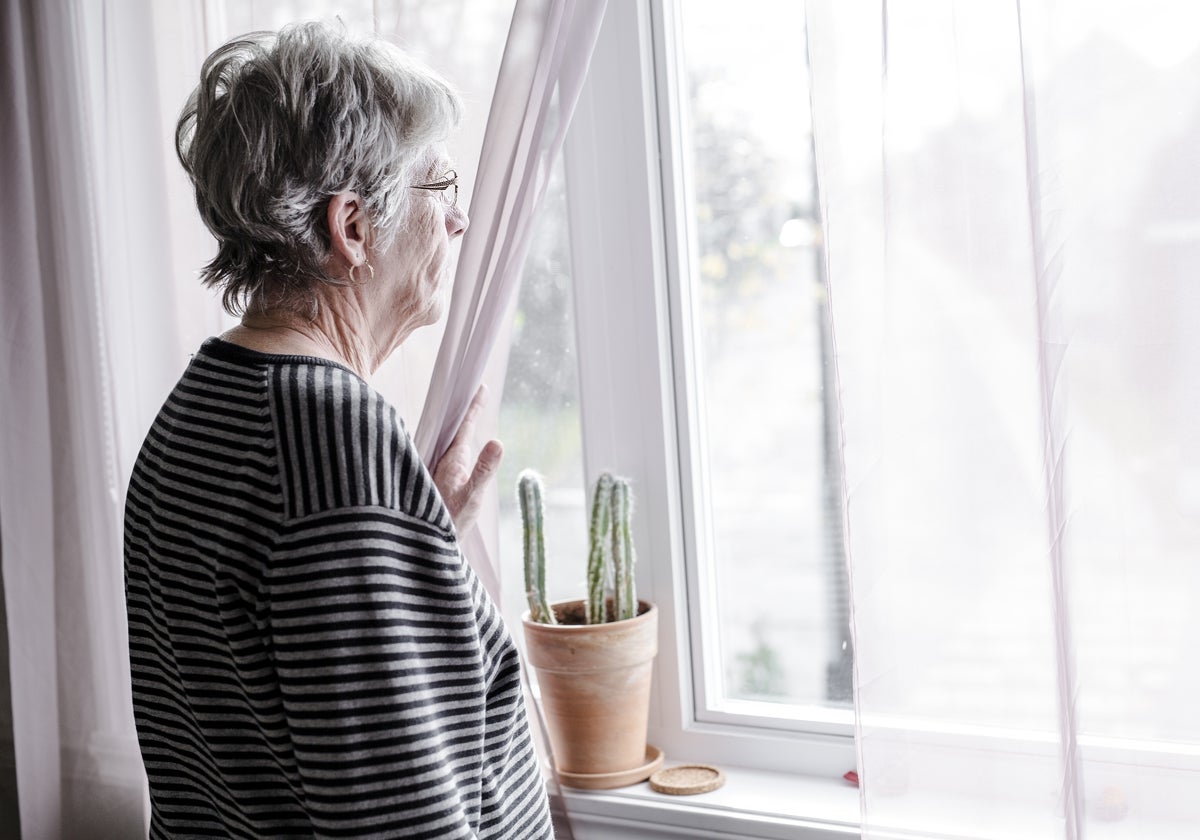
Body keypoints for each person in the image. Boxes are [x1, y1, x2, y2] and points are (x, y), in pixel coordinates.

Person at [123, 21, 554, 839]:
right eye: (441, 188)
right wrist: (376, 515)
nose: (459, 222)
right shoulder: (333, 441)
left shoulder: (197, 407)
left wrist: (412, 547)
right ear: (352, 226)